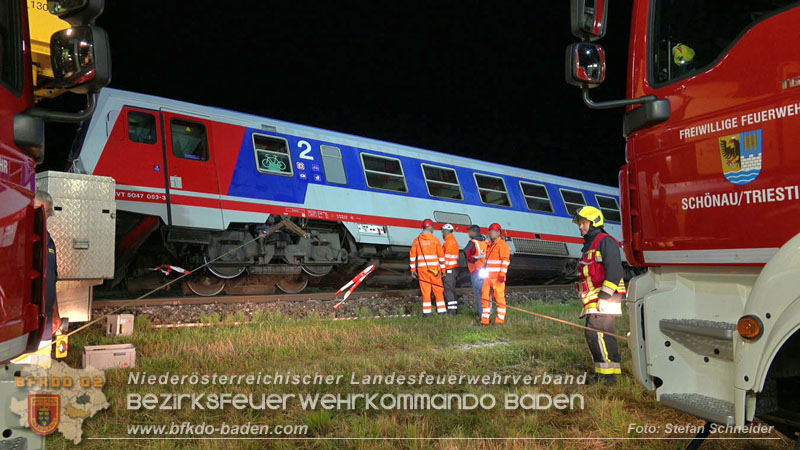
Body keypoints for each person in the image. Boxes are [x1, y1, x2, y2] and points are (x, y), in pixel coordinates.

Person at [573, 206, 626, 385]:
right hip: (597, 298)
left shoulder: (605, 241)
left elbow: (616, 270)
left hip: (605, 297)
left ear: (595, 222)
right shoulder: (590, 243)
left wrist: (604, 296)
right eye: (580, 224)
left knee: (598, 334)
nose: (581, 227)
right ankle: (604, 374)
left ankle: (608, 378)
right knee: (596, 334)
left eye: (584, 223)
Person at [34, 191, 62, 341]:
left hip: (47, 316)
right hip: (31, 315)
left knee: (42, 362)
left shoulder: (48, 240)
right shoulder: (26, 237)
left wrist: (56, 311)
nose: (49, 217)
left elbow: (52, 279)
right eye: (47, 211)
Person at [409, 219, 446, 317]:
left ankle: (427, 313)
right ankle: (442, 311)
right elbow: (441, 257)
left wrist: (413, 270)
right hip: (435, 270)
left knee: (426, 290)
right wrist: (443, 270)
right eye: (433, 227)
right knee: (438, 290)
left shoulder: (417, 241)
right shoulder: (436, 240)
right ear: (430, 227)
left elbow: (412, 256)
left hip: (423, 270)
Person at [480, 223, 510, 326]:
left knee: (500, 299)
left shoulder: (502, 245)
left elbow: (505, 261)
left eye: (492, 231)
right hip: (488, 277)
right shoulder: (490, 245)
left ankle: (500, 320)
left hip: (497, 278)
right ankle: (485, 320)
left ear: (498, 232)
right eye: (489, 231)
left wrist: (502, 274)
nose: (490, 233)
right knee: (485, 299)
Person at [463, 225, 487, 315]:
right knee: (486, 294)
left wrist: (471, 260)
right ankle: (489, 312)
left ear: (474, 232)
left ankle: (482, 314)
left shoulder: (473, 242)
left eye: (469, 231)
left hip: (476, 271)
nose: (468, 233)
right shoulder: (485, 242)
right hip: (485, 271)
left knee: (479, 294)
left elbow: (466, 251)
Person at [441, 224, 459, 315]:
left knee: (448, 290)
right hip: (452, 269)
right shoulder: (452, 241)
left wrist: (443, 271)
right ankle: (454, 310)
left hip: (449, 270)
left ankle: (452, 312)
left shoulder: (449, 242)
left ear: (446, 231)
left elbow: (446, 259)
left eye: (443, 231)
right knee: (451, 290)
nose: (442, 233)